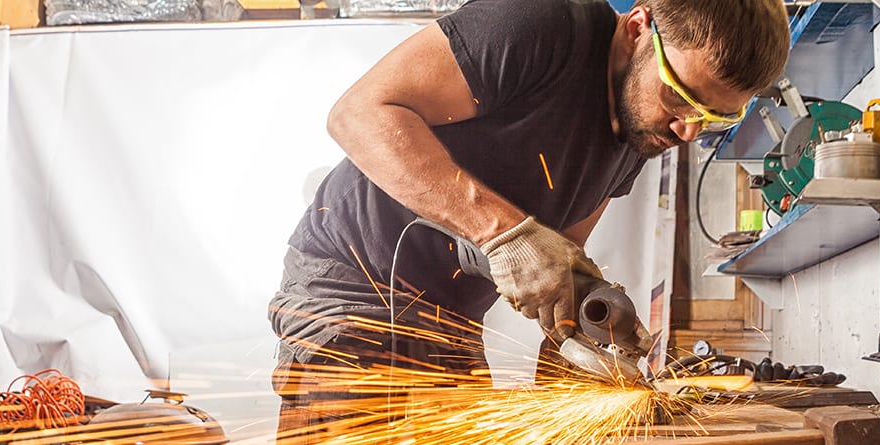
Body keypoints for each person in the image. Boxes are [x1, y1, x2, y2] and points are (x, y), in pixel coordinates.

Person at [268, 0, 790, 437]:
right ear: (638, 28)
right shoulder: (538, 25)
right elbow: (359, 113)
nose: (687, 131)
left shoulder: (639, 134)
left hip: (451, 323)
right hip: (351, 293)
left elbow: (556, 261)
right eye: (679, 96)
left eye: (715, 117)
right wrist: (503, 233)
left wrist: (589, 332)